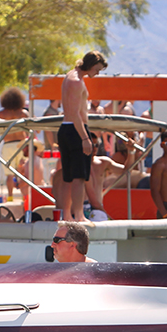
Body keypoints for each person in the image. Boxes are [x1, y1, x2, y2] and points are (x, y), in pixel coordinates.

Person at [59, 51, 108, 222]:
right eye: (97, 69)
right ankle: (78, 215)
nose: (97, 73)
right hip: (75, 130)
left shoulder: (70, 76)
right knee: (78, 177)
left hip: (67, 129)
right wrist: (85, 138)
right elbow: (74, 113)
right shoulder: (75, 81)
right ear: (90, 64)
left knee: (68, 177)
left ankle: (67, 214)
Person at [0, 87, 31, 201]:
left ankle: (10, 196)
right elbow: (31, 129)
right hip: (21, 144)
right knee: (23, 171)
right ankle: (25, 197)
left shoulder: (1, 114)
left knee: (9, 173)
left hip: (7, 144)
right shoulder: (23, 113)